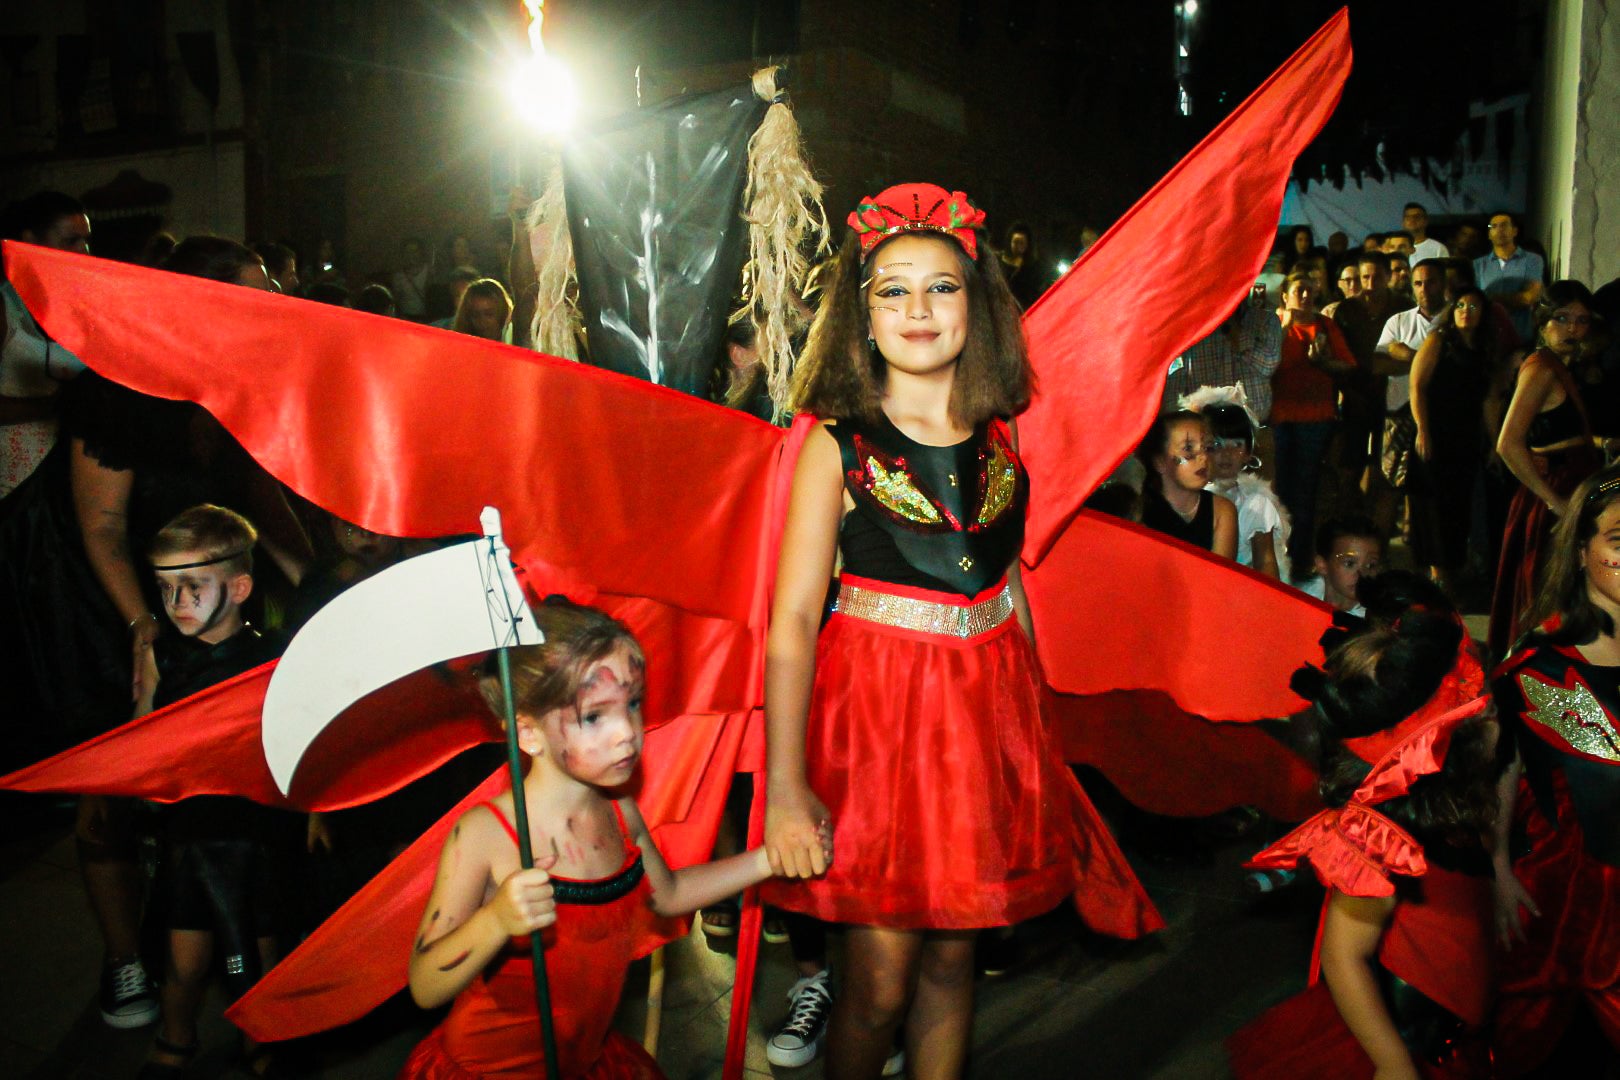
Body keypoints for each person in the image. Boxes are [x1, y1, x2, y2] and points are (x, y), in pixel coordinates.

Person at [760, 182, 1158, 1080]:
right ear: (860, 315)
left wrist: (1034, 741)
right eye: (892, 288)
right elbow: (790, 619)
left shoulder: (1004, 437)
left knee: (953, 958)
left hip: (984, 720)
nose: (918, 308)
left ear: (977, 309)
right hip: (879, 728)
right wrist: (785, 784)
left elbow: (1010, 584)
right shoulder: (836, 443)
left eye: (942, 286)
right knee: (880, 983)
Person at [402, 601, 799, 1080]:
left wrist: (769, 859)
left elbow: (669, 894)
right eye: (594, 717)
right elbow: (424, 986)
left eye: (632, 704)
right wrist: (495, 921)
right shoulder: (488, 835)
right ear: (527, 732)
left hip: (586, 1062)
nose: (626, 734)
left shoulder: (618, 808)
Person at [1232, 576, 1499, 1079]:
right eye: (1469, 695)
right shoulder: (1376, 838)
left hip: (1460, 1018)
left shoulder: (1449, 800)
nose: (1482, 704)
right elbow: (1343, 957)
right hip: (1409, 1041)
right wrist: (1395, 1067)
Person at [138, 505, 292, 1079]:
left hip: (256, 830)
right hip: (189, 831)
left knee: (262, 948)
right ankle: (176, 1037)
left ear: (239, 586)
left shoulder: (271, 658)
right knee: (186, 958)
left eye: (192, 586)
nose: (177, 602)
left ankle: (262, 1039)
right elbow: (140, 736)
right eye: (164, 588)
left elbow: (294, 745)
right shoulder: (161, 655)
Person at [1491, 465, 1620, 1073]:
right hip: (1579, 901)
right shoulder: (1538, 663)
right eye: (1619, 541)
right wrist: (1496, 870)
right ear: (1581, 552)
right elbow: (1503, 767)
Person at [1488, 280, 1601, 660]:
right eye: (1563, 318)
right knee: (1546, 593)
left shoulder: (1564, 366)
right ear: (1542, 322)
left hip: (1573, 485)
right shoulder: (1540, 368)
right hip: (1553, 491)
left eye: (1582, 321)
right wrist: (1553, 501)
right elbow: (1508, 443)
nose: (1572, 328)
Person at [1411, 285, 1504, 588]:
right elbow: (1418, 386)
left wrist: (1493, 443)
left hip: (1465, 436)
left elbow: (1489, 400)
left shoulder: (1485, 350)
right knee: (1434, 505)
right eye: (1461, 306)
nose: (1466, 312)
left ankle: (1454, 566)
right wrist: (1423, 429)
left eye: (1474, 307)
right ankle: (1439, 575)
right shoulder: (1439, 341)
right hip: (1436, 430)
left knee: (1459, 506)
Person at [1269, 269, 1357, 571]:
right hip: (1281, 417)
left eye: (1309, 290)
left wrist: (1322, 362)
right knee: (1279, 489)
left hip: (1315, 418)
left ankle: (1300, 559)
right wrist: (1284, 328)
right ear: (1285, 295)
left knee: (1305, 491)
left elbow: (1348, 366)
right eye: (1298, 290)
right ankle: (1277, 557)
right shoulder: (1275, 325)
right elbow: (1265, 364)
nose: (1305, 296)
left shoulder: (1325, 325)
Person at [1182, 386, 1289, 578]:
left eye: (1237, 445)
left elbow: (1265, 561)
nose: (1227, 453)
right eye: (1216, 445)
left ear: (1249, 452)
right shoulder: (1188, 498)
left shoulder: (1255, 504)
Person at [1136, 409, 1239, 559]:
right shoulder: (1140, 513)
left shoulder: (1222, 511)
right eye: (1188, 449)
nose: (1203, 457)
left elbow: (1220, 578)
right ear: (1160, 462)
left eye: (1207, 447)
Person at [1475, 211, 1545, 343]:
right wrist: (1516, 297)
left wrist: (1492, 298)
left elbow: (1529, 298)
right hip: (1489, 336)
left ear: (1515, 231)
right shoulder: (1477, 265)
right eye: (1493, 226)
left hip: (1523, 335)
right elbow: (1478, 301)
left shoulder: (1533, 260)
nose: (1499, 230)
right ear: (1489, 234)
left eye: (1504, 225)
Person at [1296, 517, 1383, 617]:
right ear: (1322, 565)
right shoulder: (1297, 602)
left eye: (1370, 565)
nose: (1362, 574)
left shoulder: (1376, 622)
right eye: (1349, 563)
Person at [452, 278, 514, 342]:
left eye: (489, 314)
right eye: (475, 315)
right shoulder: (461, 345)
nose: (482, 321)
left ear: (502, 313)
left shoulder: (517, 343)